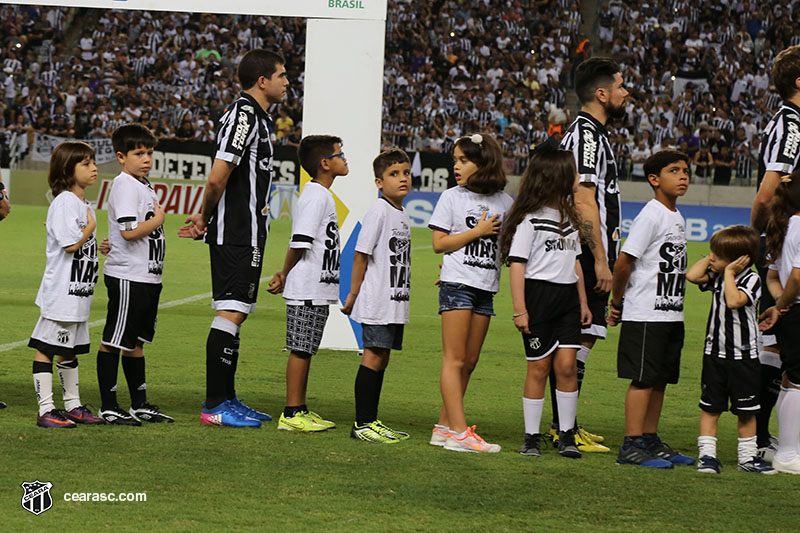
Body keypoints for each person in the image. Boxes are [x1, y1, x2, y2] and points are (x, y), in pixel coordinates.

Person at [179, 49, 288, 428]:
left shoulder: (259, 118)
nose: (287, 82)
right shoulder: (243, 115)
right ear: (262, 81)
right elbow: (217, 176)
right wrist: (206, 217)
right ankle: (214, 404)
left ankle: (227, 397)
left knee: (237, 311)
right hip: (236, 231)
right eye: (282, 75)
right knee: (230, 310)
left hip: (248, 231)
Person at [500, 141, 591, 458]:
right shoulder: (530, 220)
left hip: (567, 299)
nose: (578, 176)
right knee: (538, 368)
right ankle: (531, 437)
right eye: (573, 171)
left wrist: (582, 303)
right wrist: (520, 310)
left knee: (567, 367)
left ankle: (566, 435)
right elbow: (517, 266)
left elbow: (576, 262)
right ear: (558, 178)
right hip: (538, 298)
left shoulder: (570, 218)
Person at [557, 57, 628, 451]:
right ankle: (561, 426)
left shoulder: (594, 135)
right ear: (601, 94)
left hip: (589, 252)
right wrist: (601, 259)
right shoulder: (585, 136)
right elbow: (583, 200)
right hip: (583, 254)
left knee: (584, 337)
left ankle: (566, 423)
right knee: (577, 337)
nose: (625, 93)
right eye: (620, 87)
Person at [607, 149, 694, 469]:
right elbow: (624, 262)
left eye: (686, 170)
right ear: (655, 179)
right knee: (643, 379)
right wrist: (617, 302)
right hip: (646, 312)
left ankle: (650, 440)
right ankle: (631, 445)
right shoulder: (651, 214)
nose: (684, 176)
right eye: (675, 170)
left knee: (659, 380)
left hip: (671, 312)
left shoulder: (676, 215)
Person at [427, 133, 512, 453]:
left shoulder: (505, 202)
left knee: (470, 361)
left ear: (484, 161)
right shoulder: (452, 197)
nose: (456, 167)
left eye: (463, 160)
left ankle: (444, 428)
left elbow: (508, 247)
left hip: (485, 288)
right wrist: (476, 232)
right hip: (458, 285)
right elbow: (438, 244)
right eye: (454, 161)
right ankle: (460, 433)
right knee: (455, 358)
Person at [268, 135, 347, 432]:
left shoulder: (321, 194)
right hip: (306, 285)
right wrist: (285, 273)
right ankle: (291, 413)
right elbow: (300, 241)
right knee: (300, 348)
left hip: (317, 285)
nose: (345, 159)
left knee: (307, 348)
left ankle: (300, 408)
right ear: (325, 163)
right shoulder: (316, 195)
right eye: (340, 154)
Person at [96, 123, 172, 426]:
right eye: (138, 153)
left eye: (149, 152)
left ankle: (139, 404)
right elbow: (129, 232)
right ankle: (109, 406)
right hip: (129, 276)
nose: (146, 159)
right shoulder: (125, 184)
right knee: (115, 339)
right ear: (121, 156)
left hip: (148, 276)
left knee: (135, 342)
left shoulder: (143, 184)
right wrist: (160, 220)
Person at [685, 225, 776, 474]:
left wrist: (729, 273)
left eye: (717, 255)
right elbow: (692, 276)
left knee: (746, 412)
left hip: (744, 358)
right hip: (715, 355)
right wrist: (714, 257)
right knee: (710, 408)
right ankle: (707, 456)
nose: (711, 259)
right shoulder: (716, 275)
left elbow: (734, 300)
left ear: (738, 260)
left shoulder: (752, 279)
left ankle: (747, 458)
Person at [28, 141, 104, 427]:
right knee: (46, 346)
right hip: (61, 292)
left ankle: (73, 406)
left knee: (68, 349)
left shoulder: (80, 202)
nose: (93, 167)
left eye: (93, 162)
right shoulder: (64, 202)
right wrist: (90, 228)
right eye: (85, 163)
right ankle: (46, 409)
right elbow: (71, 244)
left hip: (78, 293)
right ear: (67, 169)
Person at [341, 148, 412, 443]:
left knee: (381, 359)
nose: (402, 179)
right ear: (379, 182)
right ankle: (363, 423)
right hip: (376, 301)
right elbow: (360, 254)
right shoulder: (379, 211)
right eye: (394, 174)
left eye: (406, 172)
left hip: (394, 303)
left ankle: (372, 420)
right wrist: (353, 294)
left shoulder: (402, 213)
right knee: (372, 357)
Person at [750, 45, 800, 462]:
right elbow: (768, 195)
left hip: (786, 242)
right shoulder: (791, 124)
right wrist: (756, 242)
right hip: (785, 245)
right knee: (779, 342)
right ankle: (764, 440)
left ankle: (771, 438)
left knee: (780, 344)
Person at [761, 171, 800, 474]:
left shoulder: (786, 226)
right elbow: (797, 277)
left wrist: (779, 307)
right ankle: (788, 454)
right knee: (797, 380)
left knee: (792, 379)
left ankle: (789, 449)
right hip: (796, 311)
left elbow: (773, 276)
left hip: (791, 313)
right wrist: (785, 305)